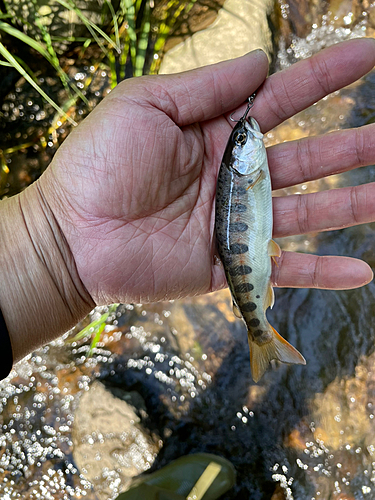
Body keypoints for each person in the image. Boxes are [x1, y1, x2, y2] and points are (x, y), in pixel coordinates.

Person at [0, 38, 375, 369]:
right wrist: (53, 244)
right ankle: (260, 333)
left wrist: (53, 248)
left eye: (239, 139)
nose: (249, 136)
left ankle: (259, 331)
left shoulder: (246, 168)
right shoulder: (249, 169)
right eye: (243, 139)